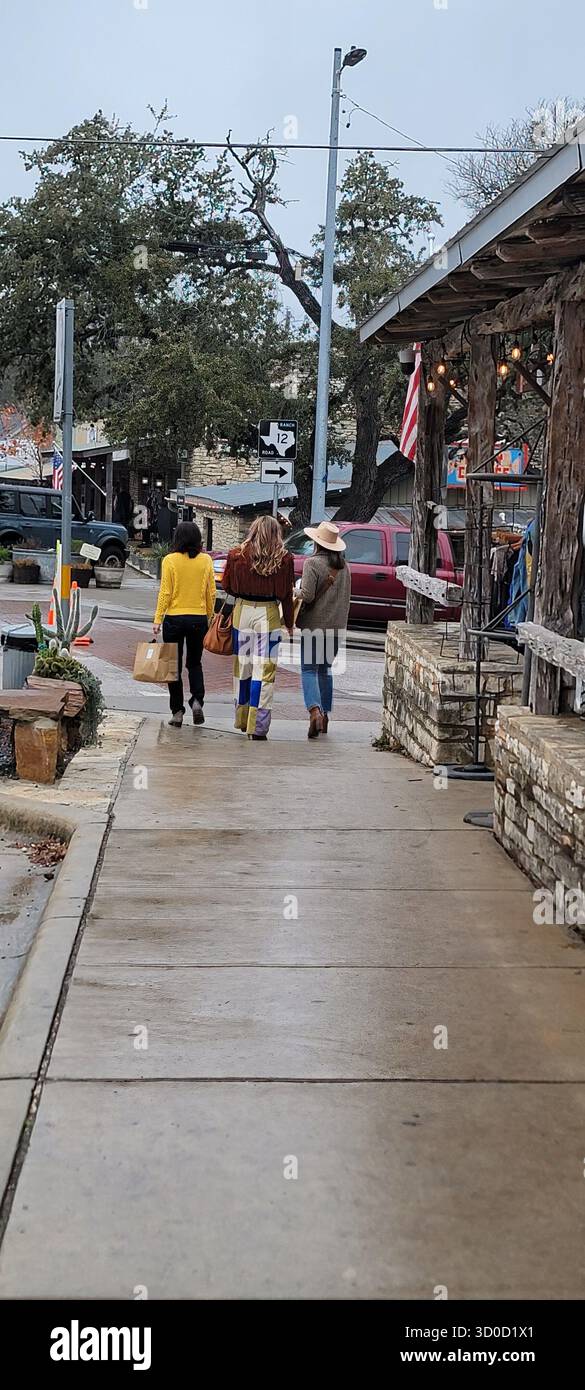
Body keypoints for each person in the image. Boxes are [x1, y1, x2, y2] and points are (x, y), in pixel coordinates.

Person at [222, 514, 294, 739]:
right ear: (276, 534)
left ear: (252, 530)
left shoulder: (236, 555)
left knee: (242, 668)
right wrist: (290, 623)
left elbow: (227, 586)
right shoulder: (284, 560)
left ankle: (241, 717)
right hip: (269, 615)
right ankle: (258, 725)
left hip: (242, 613)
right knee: (265, 672)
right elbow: (286, 595)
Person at [153, 521, 216, 727]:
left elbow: (166, 592)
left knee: (174, 666)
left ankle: (177, 711)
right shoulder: (206, 560)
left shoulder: (169, 560)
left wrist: (157, 618)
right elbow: (211, 592)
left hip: (174, 619)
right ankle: (197, 701)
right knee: (195, 663)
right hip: (198, 618)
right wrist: (209, 616)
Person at [297, 521, 351, 739]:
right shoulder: (345, 567)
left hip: (314, 626)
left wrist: (294, 590)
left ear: (316, 542)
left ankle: (314, 711)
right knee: (325, 670)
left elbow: (307, 595)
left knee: (309, 669)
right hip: (336, 628)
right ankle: (325, 716)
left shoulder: (312, 563)